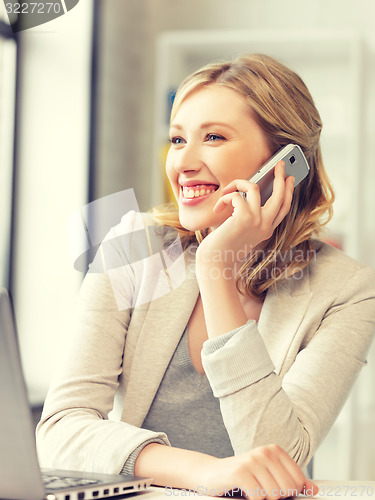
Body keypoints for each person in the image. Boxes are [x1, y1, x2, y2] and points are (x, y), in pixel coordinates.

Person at [36, 54, 375, 498]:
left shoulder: (346, 290)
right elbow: (61, 428)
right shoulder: (135, 246)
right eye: (177, 140)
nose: (183, 164)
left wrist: (216, 271)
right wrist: (204, 472)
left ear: (284, 161)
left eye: (213, 137)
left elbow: (279, 458)